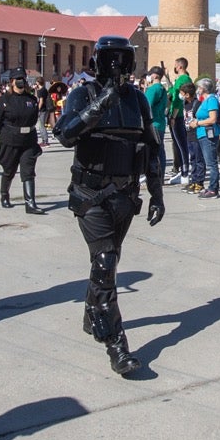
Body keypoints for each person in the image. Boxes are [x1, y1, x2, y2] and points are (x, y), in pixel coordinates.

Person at [55, 36, 165, 376]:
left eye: (123, 58)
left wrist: (158, 193)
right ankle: (117, 346)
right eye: (110, 58)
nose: (117, 65)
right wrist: (100, 103)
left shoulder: (138, 100)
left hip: (125, 195)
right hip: (91, 195)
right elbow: (65, 134)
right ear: (98, 61)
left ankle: (93, 312)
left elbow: (153, 148)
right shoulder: (82, 94)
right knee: (105, 261)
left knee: (108, 261)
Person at [0, 70, 45, 215]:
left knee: (28, 172)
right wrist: (8, 133)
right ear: (11, 81)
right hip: (11, 140)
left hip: (28, 141)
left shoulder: (31, 99)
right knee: (9, 170)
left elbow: (34, 118)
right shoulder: (5, 100)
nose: (20, 81)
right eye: (17, 79)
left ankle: (30, 204)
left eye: (22, 78)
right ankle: (4, 195)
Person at [189, 78, 219, 197]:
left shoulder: (211, 100)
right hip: (202, 134)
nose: (197, 90)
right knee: (208, 162)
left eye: (199, 87)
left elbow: (213, 119)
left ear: (203, 88)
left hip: (208, 134)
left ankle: (213, 188)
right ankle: (210, 187)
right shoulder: (205, 100)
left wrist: (198, 123)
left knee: (211, 163)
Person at [168, 57, 193, 184]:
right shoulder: (182, 79)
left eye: (176, 65)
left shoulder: (183, 79)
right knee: (179, 144)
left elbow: (178, 100)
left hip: (178, 116)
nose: (175, 68)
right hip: (177, 114)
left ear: (180, 67)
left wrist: (173, 116)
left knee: (181, 144)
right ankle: (182, 170)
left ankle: (184, 172)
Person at [143, 66, 171, 181]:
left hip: (152, 124)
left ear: (154, 75)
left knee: (152, 152)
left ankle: (154, 176)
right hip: (160, 123)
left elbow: (146, 106)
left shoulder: (153, 89)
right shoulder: (163, 89)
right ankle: (160, 175)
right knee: (160, 151)